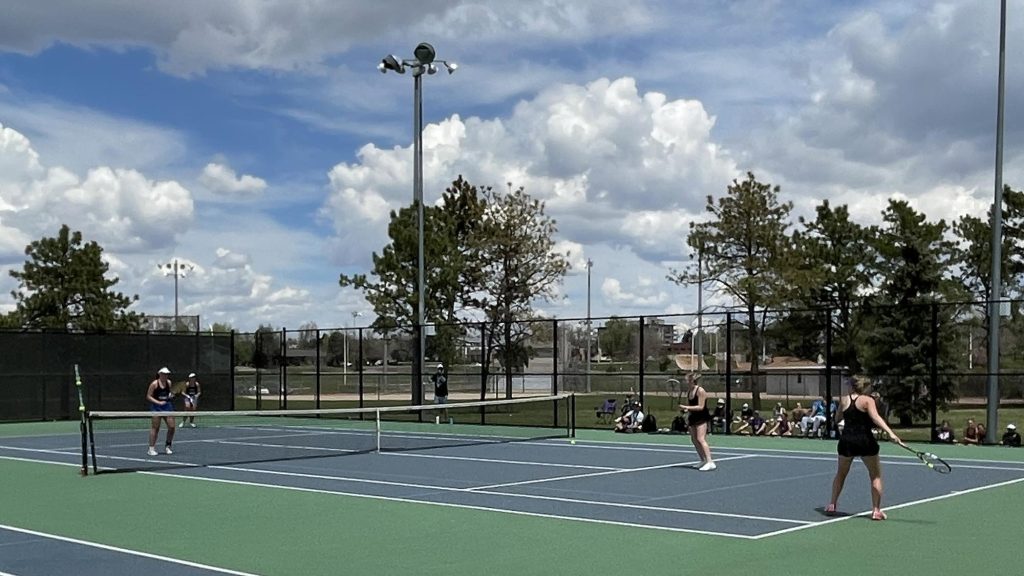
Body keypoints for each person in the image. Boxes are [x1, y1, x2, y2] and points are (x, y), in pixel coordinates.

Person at [825, 376, 901, 521]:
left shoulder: (844, 400)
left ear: (852, 386)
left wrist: (842, 418)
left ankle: (832, 504)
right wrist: (891, 433)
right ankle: (876, 511)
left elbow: (837, 419)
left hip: (847, 441)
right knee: (875, 476)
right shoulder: (867, 401)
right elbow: (876, 418)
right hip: (865, 441)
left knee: (840, 474)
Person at [677, 373, 716, 471]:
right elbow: (691, 405)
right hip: (693, 417)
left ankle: (710, 462)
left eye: (687, 380)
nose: (685, 381)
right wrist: (686, 410)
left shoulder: (700, 391)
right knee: (694, 440)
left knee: (700, 439)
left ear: (692, 380)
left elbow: (701, 407)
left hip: (701, 417)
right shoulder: (689, 391)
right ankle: (703, 460)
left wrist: (687, 407)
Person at [146, 367, 177, 456]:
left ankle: (168, 446)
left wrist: (171, 396)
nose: (165, 376)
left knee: (172, 427)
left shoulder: (169, 383)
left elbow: (169, 393)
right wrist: (158, 402)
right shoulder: (154, 384)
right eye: (163, 374)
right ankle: (151, 448)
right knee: (155, 428)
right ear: (159, 374)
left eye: (167, 374)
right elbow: (148, 396)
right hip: (156, 408)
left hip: (167, 407)